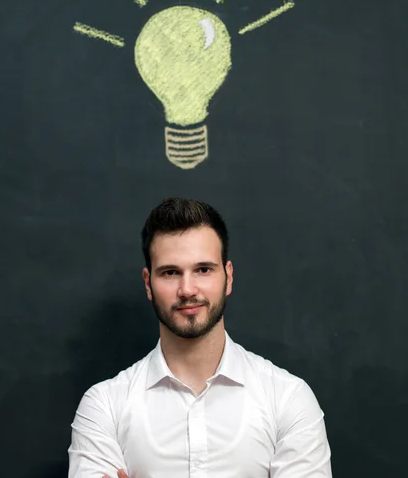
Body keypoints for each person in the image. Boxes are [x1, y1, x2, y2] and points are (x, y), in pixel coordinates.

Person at [68, 197, 332, 477]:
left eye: (203, 270)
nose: (187, 289)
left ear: (228, 277)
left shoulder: (288, 398)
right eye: (170, 272)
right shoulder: (104, 407)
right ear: (148, 284)